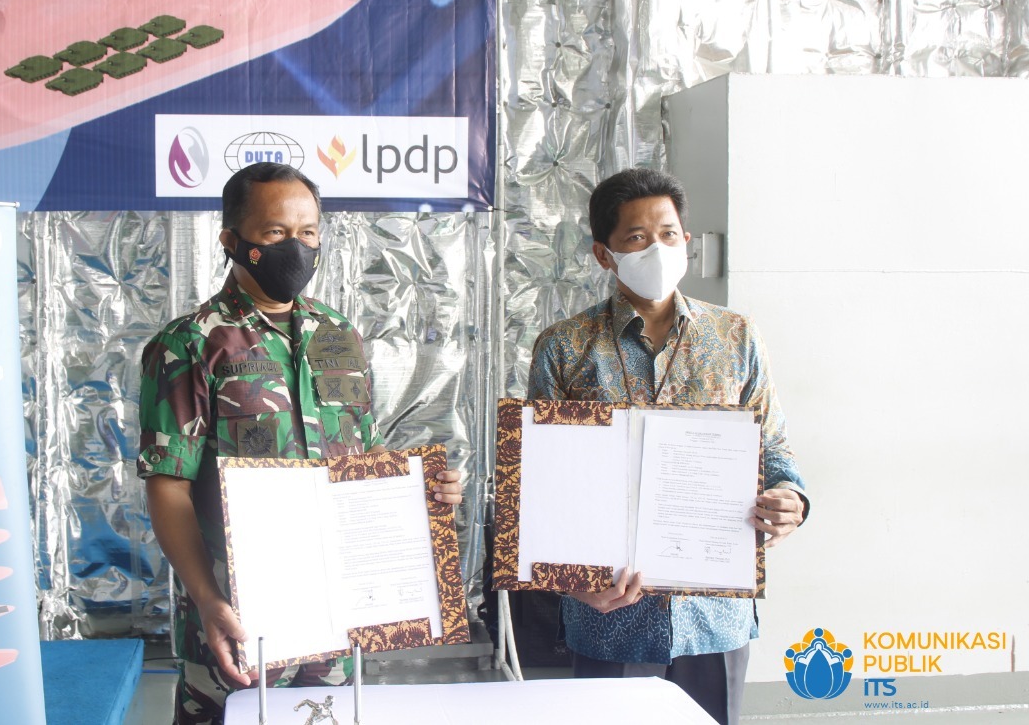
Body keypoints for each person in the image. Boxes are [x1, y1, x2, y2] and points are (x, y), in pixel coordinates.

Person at [137, 162, 462, 725]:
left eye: (308, 232)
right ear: (232, 241)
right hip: (238, 611)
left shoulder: (339, 336)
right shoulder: (190, 343)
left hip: (334, 611)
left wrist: (422, 489)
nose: (297, 246)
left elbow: (363, 458)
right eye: (275, 233)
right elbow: (169, 485)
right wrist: (208, 600)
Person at [527, 168, 808, 725]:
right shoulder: (565, 347)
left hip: (714, 614)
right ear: (604, 255)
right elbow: (540, 485)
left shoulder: (736, 337)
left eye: (669, 233)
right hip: (609, 615)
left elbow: (773, 448)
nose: (657, 247)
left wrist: (790, 498)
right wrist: (573, 584)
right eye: (636, 237)